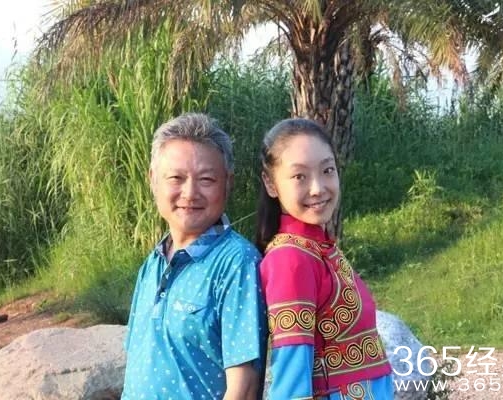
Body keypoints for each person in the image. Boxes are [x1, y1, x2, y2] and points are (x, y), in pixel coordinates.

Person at [122, 113, 267, 400]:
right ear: (153, 180)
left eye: (206, 179)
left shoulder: (237, 264)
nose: (190, 193)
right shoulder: (152, 264)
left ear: (227, 183)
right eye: (176, 178)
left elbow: (244, 388)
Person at [256, 118, 393, 399]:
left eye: (327, 170)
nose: (318, 188)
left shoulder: (319, 247)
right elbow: (291, 382)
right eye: (300, 176)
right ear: (270, 183)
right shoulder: (290, 259)